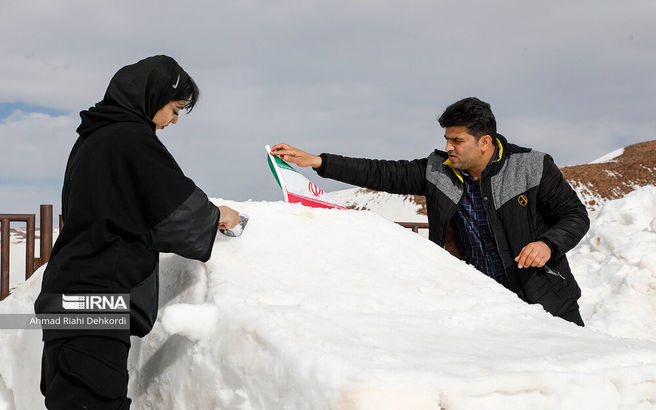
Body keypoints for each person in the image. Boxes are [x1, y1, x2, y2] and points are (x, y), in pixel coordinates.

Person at [271, 97, 589, 326]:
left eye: (457, 140)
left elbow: (575, 215)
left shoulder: (532, 167)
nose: (449, 147)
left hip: (546, 300)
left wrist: (548, 243)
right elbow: (380, 172)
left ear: (485, 142)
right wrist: (318, 162)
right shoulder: (438, 171)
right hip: (485, 309)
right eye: (446, 139)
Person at [34, 55, 240, 409]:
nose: (174, 120)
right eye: (175, 108)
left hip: (66, 298)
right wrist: (219, 216)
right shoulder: (130, 138)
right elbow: (175, 213)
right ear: (153, 96)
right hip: (97, 303)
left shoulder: (92, 139)